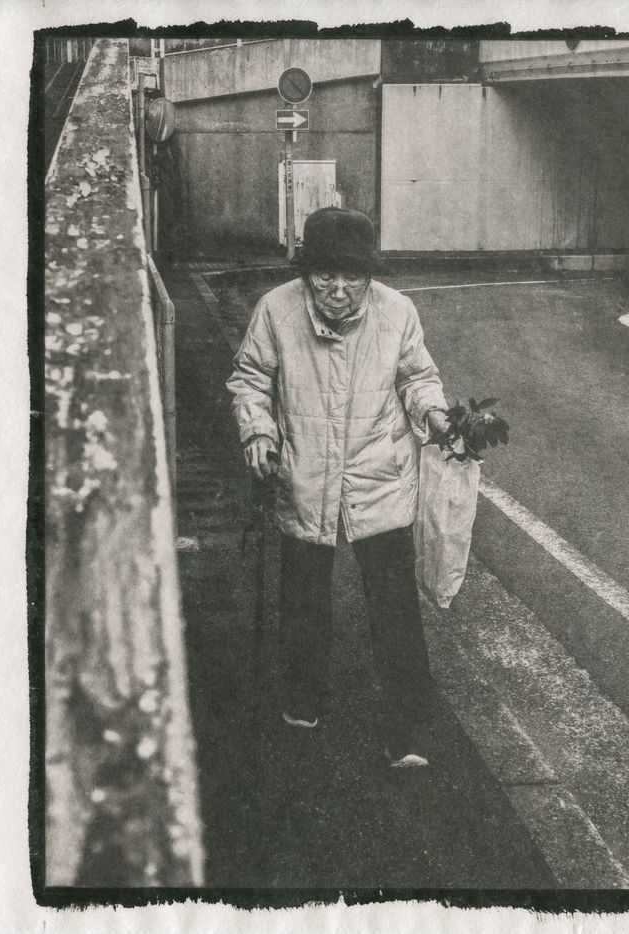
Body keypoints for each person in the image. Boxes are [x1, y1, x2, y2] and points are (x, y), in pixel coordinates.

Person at [226, 206, 451, 769]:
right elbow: (251, 379)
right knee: (303, 599)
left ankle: (408, 728)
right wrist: (258, 430)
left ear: (369, 276)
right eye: (325, 275)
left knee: (394, 607)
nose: (338, 289)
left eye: (353, 276)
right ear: (307, 273)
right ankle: (303, 697)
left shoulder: (397, 312)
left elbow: (417, 377)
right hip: (305, 472)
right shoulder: (276, 309)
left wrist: (435, 414)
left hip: (380, 474)